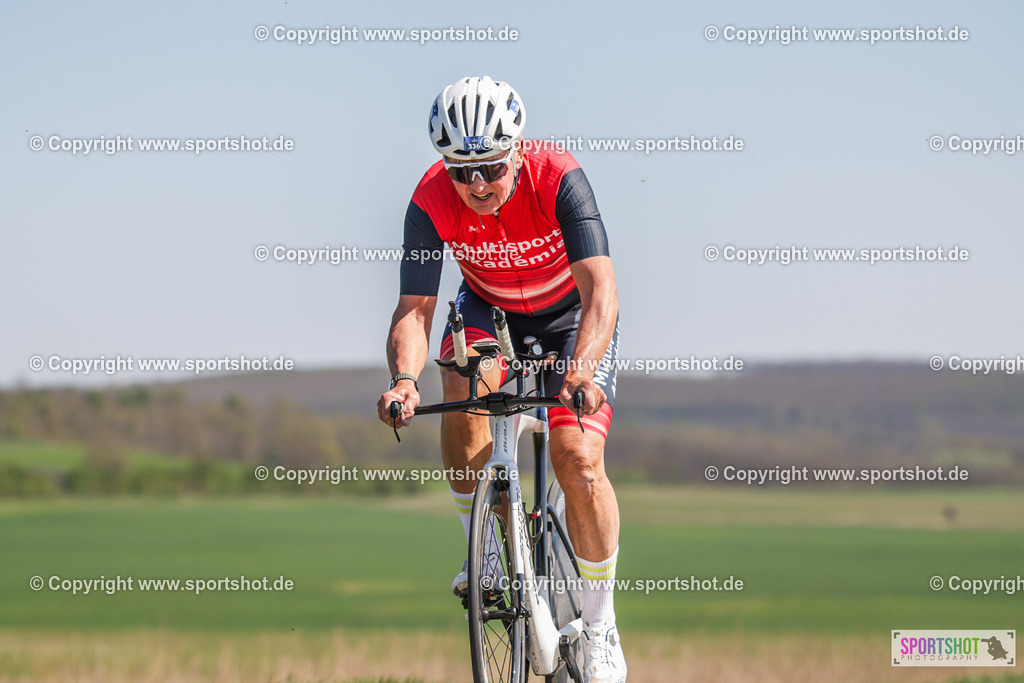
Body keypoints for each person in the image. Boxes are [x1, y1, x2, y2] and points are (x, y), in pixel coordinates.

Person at [376, 76, 625, 683]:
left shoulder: (558, 177)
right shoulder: (431, 199)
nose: (478, 185)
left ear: (515, 151)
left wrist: (581, 370)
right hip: (491, 311)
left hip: (571, 318)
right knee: (457, 377)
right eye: (463, 172)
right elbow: (415, 309)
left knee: (577, 454)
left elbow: (602, 293)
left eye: (489, 167)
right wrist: (403, 380)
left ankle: (599, 626)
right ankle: (485, 553)